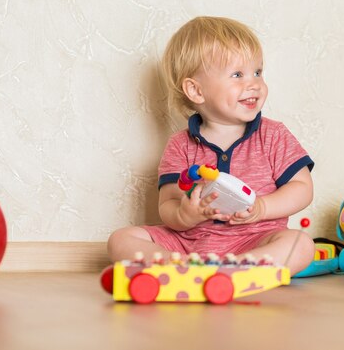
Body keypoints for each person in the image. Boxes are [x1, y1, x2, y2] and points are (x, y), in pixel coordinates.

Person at [107, 16, 315, 275]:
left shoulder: (273, 135)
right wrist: (185, 216)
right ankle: (183, 268)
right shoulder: (181, 145)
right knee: (121, 239)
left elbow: (302, 188)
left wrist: (262, 208)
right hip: (189, 245)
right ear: (196, 91)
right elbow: (168, 204)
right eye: (238, 74)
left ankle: (233, 271)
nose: (254, 84)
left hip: (254, 241)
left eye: (258, 72)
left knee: (301, 245)